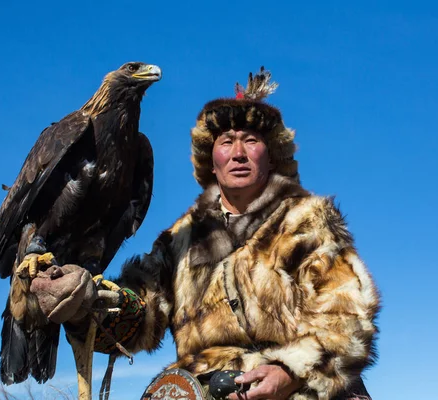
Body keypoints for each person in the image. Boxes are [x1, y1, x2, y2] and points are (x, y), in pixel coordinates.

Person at [33, 67, 380, 400]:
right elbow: (139, 315)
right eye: (226, 141)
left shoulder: (309, 222)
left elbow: (348, 319)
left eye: (252, 140)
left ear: (271, 158)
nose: (239, 153)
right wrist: (86, 303)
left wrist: (290, 372)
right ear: (211, 162)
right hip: (204, 389)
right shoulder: (179, 241)